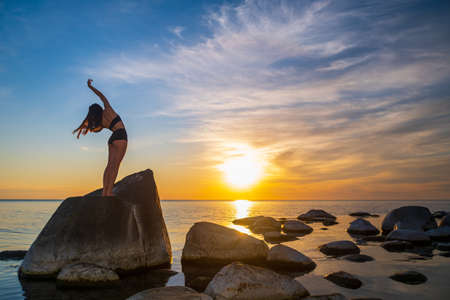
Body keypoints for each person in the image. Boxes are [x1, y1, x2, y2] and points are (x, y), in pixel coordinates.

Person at [73, 79, 127, 196]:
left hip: (112, 139)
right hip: (121, 135)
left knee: (109, 165)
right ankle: (109, 192)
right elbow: (101, 96)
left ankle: (104, 192)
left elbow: (93, 127)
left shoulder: (100, 122)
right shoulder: (108, 109)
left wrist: (85, 128)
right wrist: (91, 87)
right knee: (115, 165)